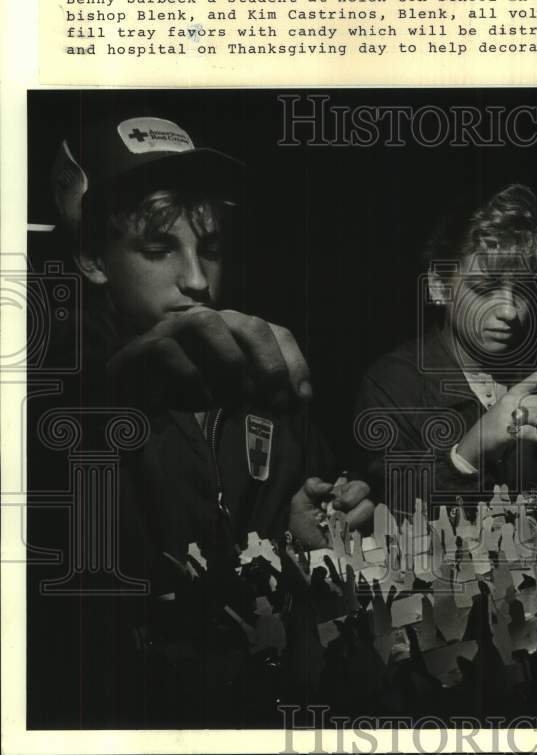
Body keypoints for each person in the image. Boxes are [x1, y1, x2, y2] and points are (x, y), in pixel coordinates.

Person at [31, 113, 369, 725]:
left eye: (209, 249)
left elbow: (310, 501)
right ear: (91, 259)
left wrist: (318, 513)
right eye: (158, 249)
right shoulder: (51, 394)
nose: (196, 280)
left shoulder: (262, 378)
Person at [353, 184, 537, 515]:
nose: (509, 311)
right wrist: (470, 451)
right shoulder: (391, 385)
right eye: (485, 288)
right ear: (438, 285)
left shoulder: (535, 372)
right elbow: (394, 511)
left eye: (523, 291)